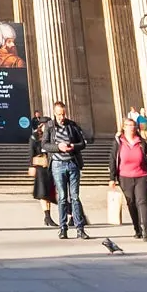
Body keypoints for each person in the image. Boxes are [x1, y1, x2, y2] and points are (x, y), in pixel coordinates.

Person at [44, 101, 89, 240]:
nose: (61, 117)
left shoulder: (72, 125)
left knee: (75, 196)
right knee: (62, 197)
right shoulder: (49, 126)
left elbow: (82, 143)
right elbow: (45, 145)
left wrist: (72, 146)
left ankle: (80, 228)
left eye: (63, 114)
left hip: (72, 163)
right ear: (54, 113)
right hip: (58, 164)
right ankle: (63, 228)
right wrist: (59, 147)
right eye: (58, 115)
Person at [108, 116, 147, 240]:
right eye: (128, 125)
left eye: (133, 125)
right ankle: (137, 229)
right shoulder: (118, 143)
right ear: (123, 127)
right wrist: (112, 178)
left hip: (142, 176)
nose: (131, 128)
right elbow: (112, 160)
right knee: (131, 203)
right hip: (124, 177)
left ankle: (146, 231)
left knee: (142, 202)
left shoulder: (142, 142)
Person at [30, 121, 56, 226]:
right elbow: (31, 151)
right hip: (40, 166)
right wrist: (31, 166)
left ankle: (48, 217)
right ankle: (47, 216)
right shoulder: (34, 136)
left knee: (48, 193)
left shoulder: (51, 134)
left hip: (50, 165)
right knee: (42, 192)